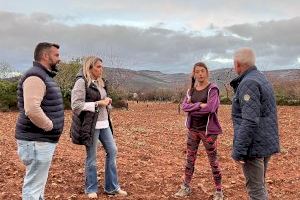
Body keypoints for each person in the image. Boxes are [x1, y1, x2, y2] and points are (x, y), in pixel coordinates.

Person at [70, 56, 127, 199]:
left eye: (102, 66)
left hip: (104, 123)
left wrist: (108, 103)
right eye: (98, 67)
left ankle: (112, 187)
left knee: (112, 151)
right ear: (90, 67)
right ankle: (91, 188)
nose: (101, 69)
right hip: (91, 126)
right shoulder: (81, 82)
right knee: (92, 157)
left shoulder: (101, 83)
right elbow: (76, 106)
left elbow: (103, 102)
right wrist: (97, 103)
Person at [15, 42, 64, 199]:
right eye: (56, 55)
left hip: (39, 141)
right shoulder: (35, 76)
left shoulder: (42, 75)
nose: (59, 59)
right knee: (33, 188)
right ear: (45, 56)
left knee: (37, 186)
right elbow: (32, 109)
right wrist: (49, 126)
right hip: (36, 141)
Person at [230, 48, 280, 199]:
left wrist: (238, 150)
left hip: (254, 146)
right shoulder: (261, 78)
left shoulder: (248, 83)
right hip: (264, 143)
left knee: (256, 192)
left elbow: (250, 120)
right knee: (260, 186)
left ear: (237, 64)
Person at [175, 62, 224, 200]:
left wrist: (194, 107)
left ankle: (219, 191)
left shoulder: (213, 89)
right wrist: (199, 105)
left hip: (208, 132)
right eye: (197, 72)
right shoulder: (191, 91)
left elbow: (211, 108)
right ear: (194, 74)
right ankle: (186, 187)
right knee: (190, 159)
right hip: (193, 130)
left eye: (202, 71)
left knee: (213, 161)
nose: (200, 74)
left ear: (207, 72)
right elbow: (184, 106)